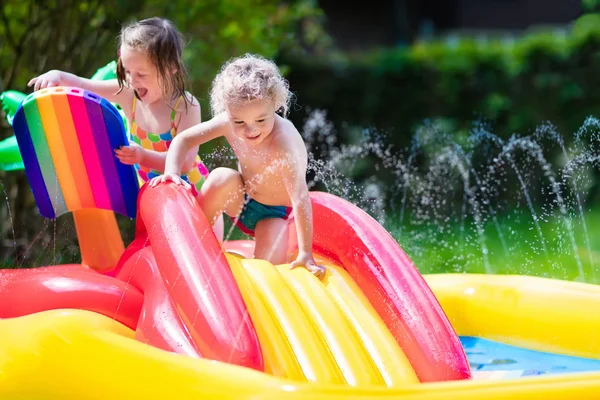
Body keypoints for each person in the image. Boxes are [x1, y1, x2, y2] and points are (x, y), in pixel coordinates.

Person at [28, 17, 223, 239]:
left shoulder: (184, 106)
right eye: (127, 71)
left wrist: (142, 155)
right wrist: (58, 76)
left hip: (193, 193)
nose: (132, 80)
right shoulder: (128, 94)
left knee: (212, 249)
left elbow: (186, 161)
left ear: (170, 68)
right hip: (155, 196)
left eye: (141, 74)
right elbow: (85, 85)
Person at [149, 54, 326, 279]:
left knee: (267, 273)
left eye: (260, 120)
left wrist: (305, 253)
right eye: (239, 122)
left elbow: (301, 197)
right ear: (227, 110)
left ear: (276, 105)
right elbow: (183, 140)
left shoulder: (283, 142)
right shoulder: (226, 122)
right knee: (221, 177)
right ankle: (192, 243)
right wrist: (172, 173)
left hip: (275, 214)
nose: (250, 130)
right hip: (241, 199)